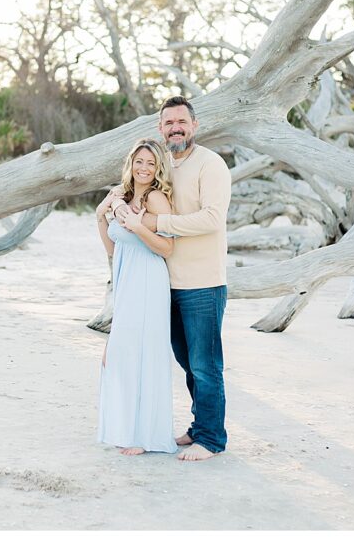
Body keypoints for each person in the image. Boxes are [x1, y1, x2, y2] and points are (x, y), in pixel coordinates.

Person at [112, 96, 231, 462]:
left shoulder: (210, 165)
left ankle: (211, 439)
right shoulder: (162, 166)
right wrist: (118, 200)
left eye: (181, 121)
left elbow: (212, 218)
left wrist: (157, 223)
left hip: (202, 283)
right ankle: (199, 426)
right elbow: (132, 192)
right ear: (160, 129)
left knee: (205, 364)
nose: (175, 128)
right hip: (166, 285)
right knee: (185, 361)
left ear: (194, 126)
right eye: (168, 123)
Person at [95, 138, 179, 455]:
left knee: (140, 351)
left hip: (148, 279)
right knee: (119, 353)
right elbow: (113, 249)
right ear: (130, 163)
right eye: (138, 161)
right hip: (126, 276)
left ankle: (144, 435)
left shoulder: (157, 199)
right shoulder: (122, 195)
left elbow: (167, 248)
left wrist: (135, 224)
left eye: (150, 163)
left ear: (158, 168)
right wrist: (101, 217)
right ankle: (125, 428)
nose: (143, 168)